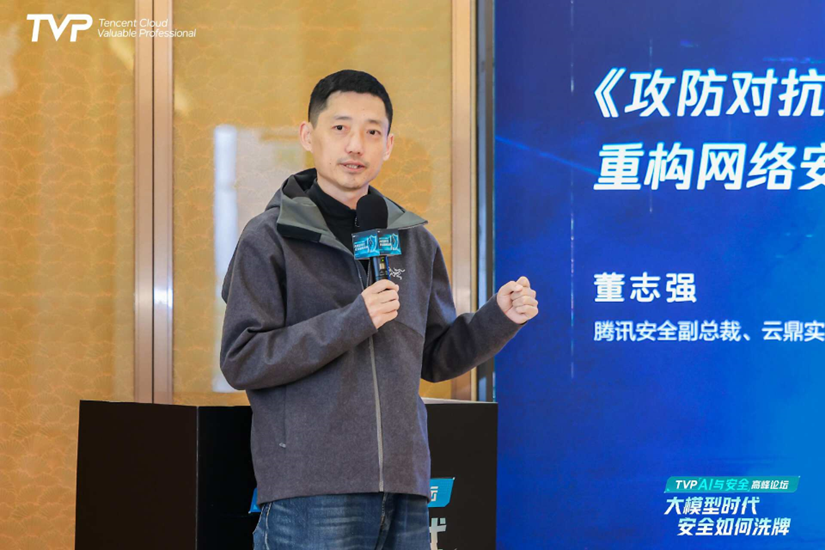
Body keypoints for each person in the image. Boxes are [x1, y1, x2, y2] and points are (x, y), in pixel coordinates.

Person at [219, 69, 539, 550]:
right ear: (308, 136)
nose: (356, 145)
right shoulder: (268, 238)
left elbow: (435, 357)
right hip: (312, 491)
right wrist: (353, 320)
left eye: (372, 132)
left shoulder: (413, 241)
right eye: (340, 128)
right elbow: (242, 358)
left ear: (388, 146)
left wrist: (499, 318)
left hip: (405, 490)